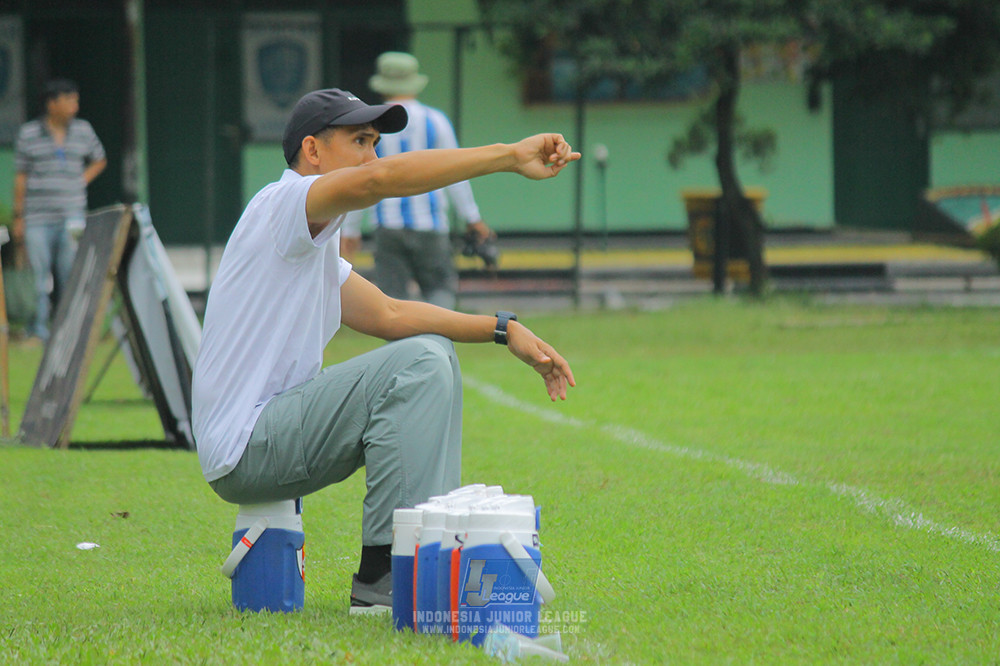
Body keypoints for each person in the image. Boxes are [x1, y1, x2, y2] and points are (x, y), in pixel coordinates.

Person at [192, 88, 579, 613]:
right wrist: (509, 156)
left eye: (376, 142)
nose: (372, 157)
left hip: (255, 444)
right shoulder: (283, 204)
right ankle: (386, 577)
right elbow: (379, 182)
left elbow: (389, 314)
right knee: (423, 361)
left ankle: (414, 565)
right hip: (248, 444)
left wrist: (503, 328)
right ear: (313, 151)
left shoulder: (308, 246)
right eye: (359, 140)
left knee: (427, 352)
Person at [340, 52, 494, 308]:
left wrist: (351, 229)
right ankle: (438, 341)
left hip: (388, 226)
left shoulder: (370, 126)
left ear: (382, 84)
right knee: (440, 290)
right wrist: (472, 218)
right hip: (431, 224)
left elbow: (363, 179)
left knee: (392, 301)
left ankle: (404, 347)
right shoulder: (436, 121)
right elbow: (456, 174)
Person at [12, 79, 107, 341]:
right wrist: (18, 217)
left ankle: (69, 330)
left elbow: (100, 159)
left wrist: (82, 179)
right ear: (52, 103)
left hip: (72, 214)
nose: (75, 106)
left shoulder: (83, 130)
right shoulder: (29, 133)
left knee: (71, 273)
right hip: (37, 216)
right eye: (70, 100)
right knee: (38, 275)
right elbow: (20, 177)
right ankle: (38, 329)